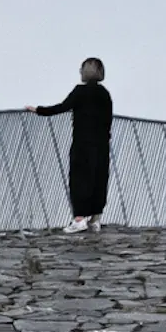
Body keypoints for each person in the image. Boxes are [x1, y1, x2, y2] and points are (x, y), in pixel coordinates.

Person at [32, 58, 114, 230]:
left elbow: (62, 107)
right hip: (102, 144)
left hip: (83, 143)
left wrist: (38, 110)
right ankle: (95, 218)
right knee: (99, 178)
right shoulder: (105, 94)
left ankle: (79, 219)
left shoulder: (80, 91)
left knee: (80, 178)